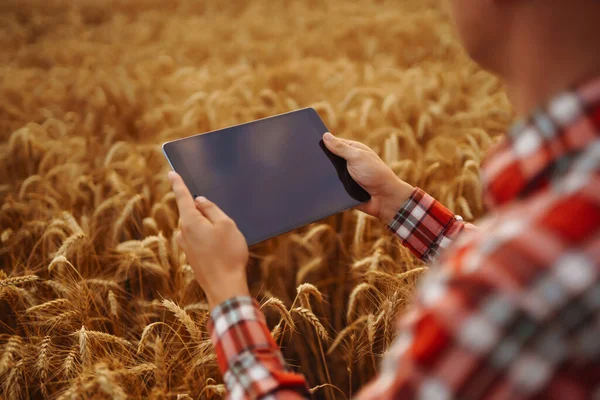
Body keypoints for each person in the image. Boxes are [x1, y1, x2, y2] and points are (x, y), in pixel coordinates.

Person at [168, 0, 600, 398]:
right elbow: (544, 263)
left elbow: (523, 273)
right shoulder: (555, 237)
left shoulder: (506, 282)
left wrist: (227, 293)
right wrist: (398, 202)